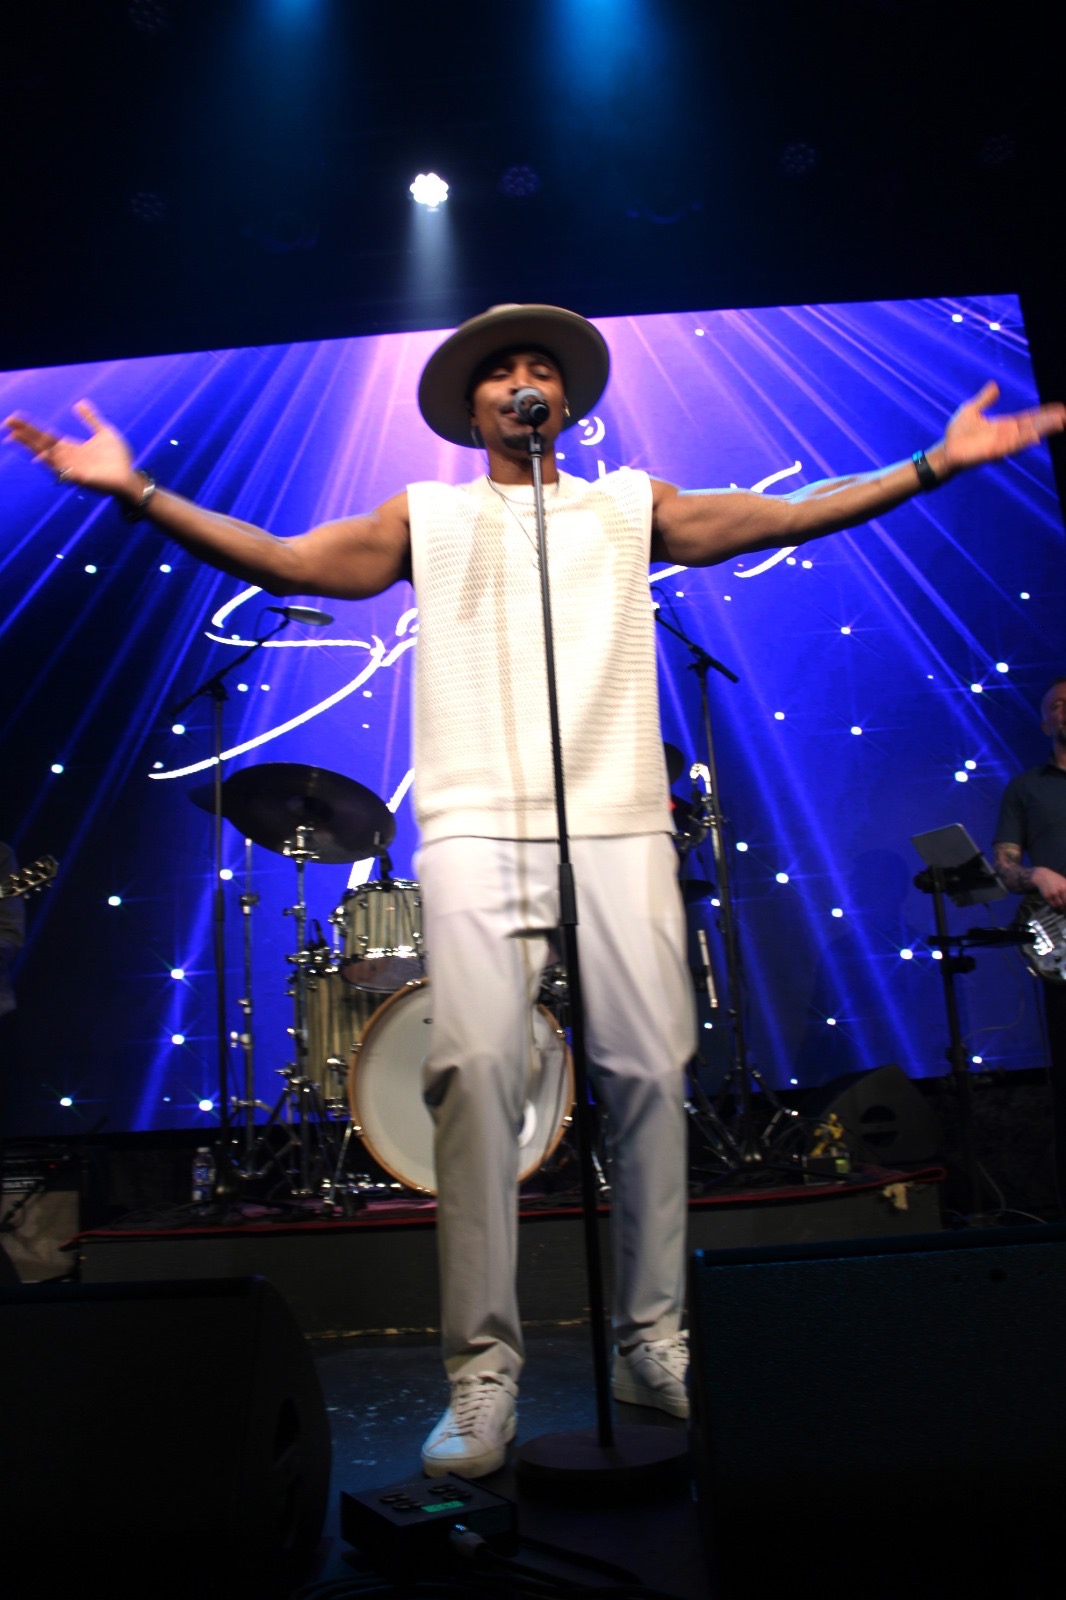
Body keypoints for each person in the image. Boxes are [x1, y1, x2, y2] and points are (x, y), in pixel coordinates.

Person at [5, 303, 1064, 1478]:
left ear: (566, 402)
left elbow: (776, 513)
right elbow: (292, 560)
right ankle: (482, 1371)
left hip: (618, 818)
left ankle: (650, 1340)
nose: (525, 380)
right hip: (475, 827)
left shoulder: (625, 506)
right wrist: (136, 491)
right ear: (473, 410)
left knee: (649, 1072)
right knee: (472, 1078)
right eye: (502, 369)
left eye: (542, 368)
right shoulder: (429, 514)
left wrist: (928, 465)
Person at [993, 676, 1066, 1211]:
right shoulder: (1026, 787)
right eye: (1057, 706)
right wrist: (1036, 873)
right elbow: (1003, 867)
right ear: (1045, 723)